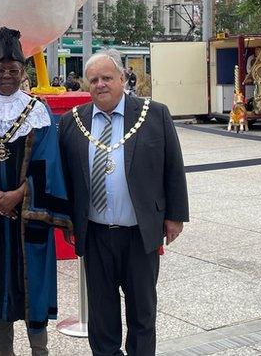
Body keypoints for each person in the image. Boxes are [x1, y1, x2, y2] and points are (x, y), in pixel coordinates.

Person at [58, 49, 189, 356]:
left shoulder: (154, 114)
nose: (100, 84)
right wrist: (66, 220)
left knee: (143, 313)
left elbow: (173, 165)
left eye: (107, 78)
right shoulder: (71, 122)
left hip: (139, 234)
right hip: (96, 235)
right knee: (101, 317)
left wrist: (175, 215)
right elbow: (64, 177)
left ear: (122, 78)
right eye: (93, 80)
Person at [0, 27, 70, 356]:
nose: (6, 75)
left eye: (13, 70)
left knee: (33, 287)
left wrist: (18, 195)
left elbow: (48, 164)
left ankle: (40, 352)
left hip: (28, 216)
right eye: (0, 70)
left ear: (24, 72)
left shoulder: (39, 112)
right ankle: (4, 352)